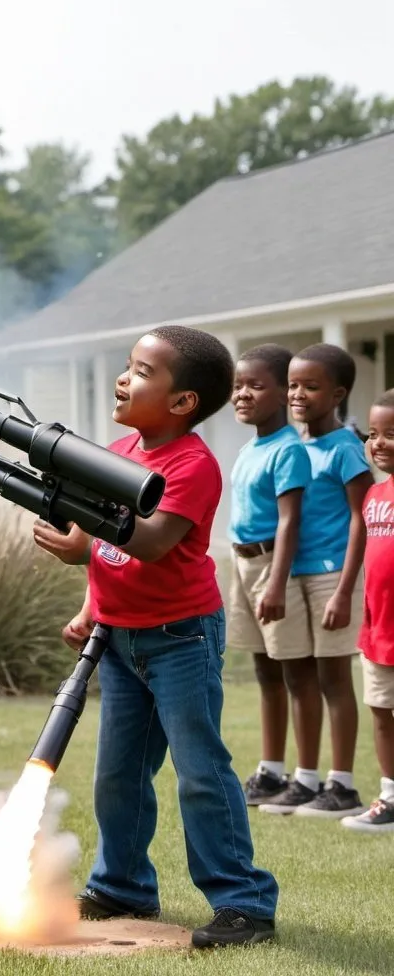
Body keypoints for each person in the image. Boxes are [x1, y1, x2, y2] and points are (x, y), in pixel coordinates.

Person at [33, 326, 278, 949]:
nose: (123, 377)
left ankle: (244, 902)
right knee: (117, 775)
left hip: (181, 640)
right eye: (127, 365)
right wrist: (91, 603)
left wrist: (86, 538)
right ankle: (122, 885)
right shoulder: (121, 451)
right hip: (119, 640)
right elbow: (107, 556)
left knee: (201, 771)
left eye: (141, 371)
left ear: (182, 403)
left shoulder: (192, 465)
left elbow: (150, 540)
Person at [259, 344, 372, 819]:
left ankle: (341, 785)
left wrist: (346, 590)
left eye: (311, 386)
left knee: (332, 677)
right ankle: (305, 779)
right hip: (297, 574)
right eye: (293, 385)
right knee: (298, 675)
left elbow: (359, 519)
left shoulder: (347, 447)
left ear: (338, 393)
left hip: (331, 577)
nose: (297, 394)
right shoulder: (298, 447)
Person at [226, 345, 311, 805]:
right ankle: (271, 771)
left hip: (273, 565)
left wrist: (276, 583)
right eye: (239, 386)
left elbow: (289, 520)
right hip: (242, 563)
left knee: (295, 671)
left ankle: (308, 777)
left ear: (283, 393)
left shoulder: (288, 450)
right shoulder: (249, 446)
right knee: (264, 670)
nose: (242, 394)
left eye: (255, 386)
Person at [341, 391, 394, 832]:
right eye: (373, 434)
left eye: (391, 434)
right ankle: (390, 797)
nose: (378, 443)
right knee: (380, 710)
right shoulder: (375, 494)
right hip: (378, 630)